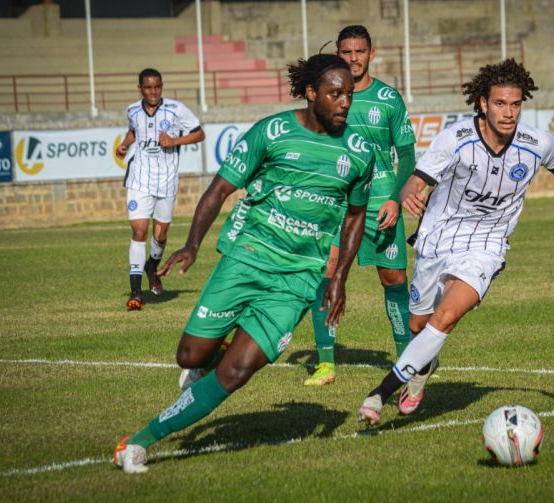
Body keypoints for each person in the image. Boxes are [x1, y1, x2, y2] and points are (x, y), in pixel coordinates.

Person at [113, 53, 375, 473]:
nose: (345, 102)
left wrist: (339, 277)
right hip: (248, 257)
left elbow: (356, 215)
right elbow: (219, 189)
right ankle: (208, 358)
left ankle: (138, 442)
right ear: (311, 93)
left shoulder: (360, 151)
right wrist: (192, 245)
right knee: (189, 356)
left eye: (349, 94)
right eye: (335, 93)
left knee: (237, 372)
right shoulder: (272, 132)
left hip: (297, 278)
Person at [356, 58, 554, 425]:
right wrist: (408, 194)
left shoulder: (538, 143)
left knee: (447, 316)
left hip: (487, 245)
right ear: (483, 103)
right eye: (500, 103)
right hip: (437, 240)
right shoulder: (455, 139)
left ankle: (379, 394)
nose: (509, 113)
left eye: (515, 104)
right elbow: (417, 180)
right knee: (419, 326)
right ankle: (425, 364)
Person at [303, 25, 418, 386]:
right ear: (338, 53)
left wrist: (396, 199)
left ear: (371, 54)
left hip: (381, 202)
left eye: (360, 51)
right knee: (327, 273)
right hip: (336, 202)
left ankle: (407, 360)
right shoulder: (328, 96)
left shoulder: (388, 98)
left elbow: (407, 154)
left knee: (393, 279)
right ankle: (325, 363)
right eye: (347, 52)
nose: (354, 58)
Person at [115, 68, 205, 311]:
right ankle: (136, 293)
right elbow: (134, 130)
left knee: (161, 235)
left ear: (162, 86)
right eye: (148, 88)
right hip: (139, 179)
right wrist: (124, 145)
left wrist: (174, 141)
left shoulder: (176, 109)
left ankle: (151, 267)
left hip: (166, 180)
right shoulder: (132, 110)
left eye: (157, 87)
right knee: (139, 231)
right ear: (140, 89)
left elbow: (199, 134)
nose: (153, 92)